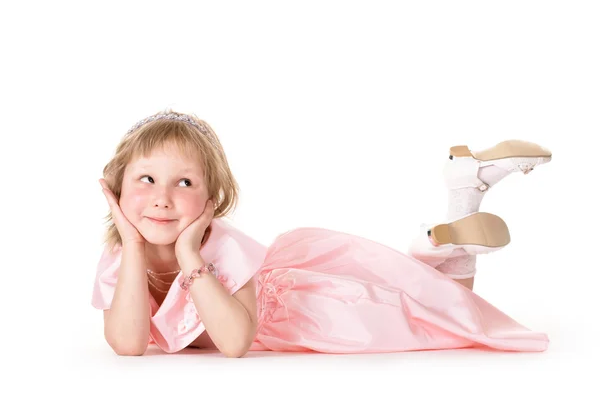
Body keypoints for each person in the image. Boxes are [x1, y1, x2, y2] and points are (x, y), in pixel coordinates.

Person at [92, 109, 552, 357]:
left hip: (316, 310)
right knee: (431, 303)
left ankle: (459, 200)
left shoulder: (220, 246)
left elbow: (233, 344)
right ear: (116, 186)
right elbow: (128, 345)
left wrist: (191, 256)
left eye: (185, 182)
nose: (162, 198)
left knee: (445, 319)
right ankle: (458, 196)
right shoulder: (123, 258)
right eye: (146, 179)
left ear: (212, 200)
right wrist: (131, 244)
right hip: (309, 312)